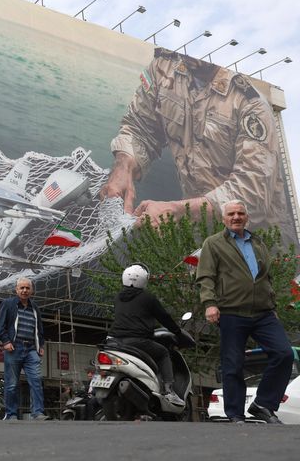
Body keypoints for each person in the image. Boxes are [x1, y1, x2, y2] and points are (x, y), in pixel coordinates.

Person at [101, 47, 290, 237]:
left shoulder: (250, 102)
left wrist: (175, 211)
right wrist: (123, 167)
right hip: (199, 233)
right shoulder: (163, 68)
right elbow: (139, 127)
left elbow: (252, 194)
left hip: (259, 241)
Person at [196, 199, 294, 424]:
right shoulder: (213, 243)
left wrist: (272, 305)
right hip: (231, 312)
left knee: (284, 353)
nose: (236, 217)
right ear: (223, 219)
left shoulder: (257, 242)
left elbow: (266, 277)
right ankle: (235, 414)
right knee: (233, 365)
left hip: (264, 313)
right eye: (231, 213)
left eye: (240, 213)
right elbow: (206, 276)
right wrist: (209, 303)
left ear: (246, 217)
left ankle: (263, 404)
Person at [110, 263, 187, 406]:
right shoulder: (148, 298)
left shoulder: (118, 297)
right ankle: (169, 390)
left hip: (114, 341)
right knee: (163, 353)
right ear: (144, 279)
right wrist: (177, 331)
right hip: (137, 340)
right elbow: (164, 317)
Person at [0, 277, 49, 420]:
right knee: (12, 384)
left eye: (27, 288)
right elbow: (0, 328)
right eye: (22, 288)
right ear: (16, 290)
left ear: (31, 290)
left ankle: (38, 412)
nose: (25, 290)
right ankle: (11, 414)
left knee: (36, 381)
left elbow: (40, 329)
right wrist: (6, 342)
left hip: (31, 349)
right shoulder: (8, 304)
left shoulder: (35, 307)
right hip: (14, 348)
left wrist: (41, 345)